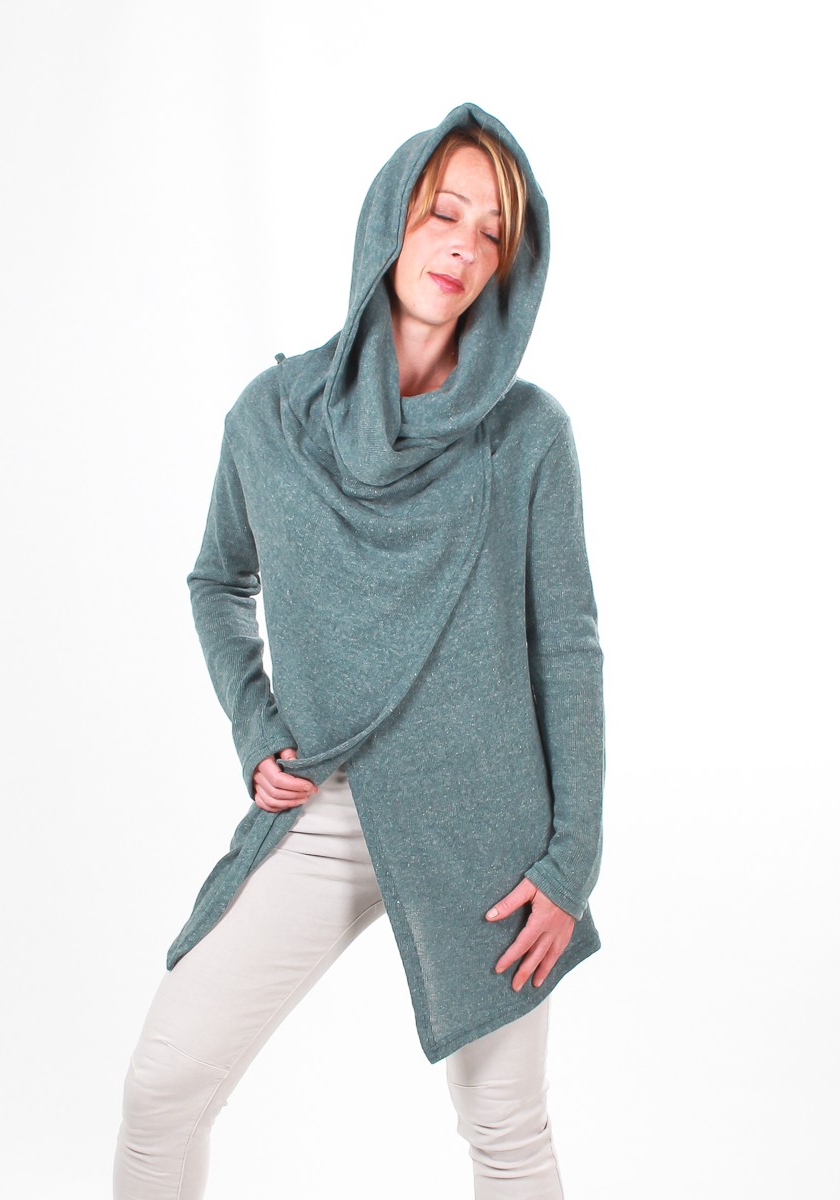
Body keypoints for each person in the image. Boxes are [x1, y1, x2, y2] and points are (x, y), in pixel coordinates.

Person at [113, 101, 605, 1200]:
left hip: (487, 829)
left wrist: (571, 860)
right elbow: (217, 580)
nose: (463, 247)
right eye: (444, 213)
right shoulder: (271, 417)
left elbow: (567, 651)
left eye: (492, 233)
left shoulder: (530, 437)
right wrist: (257, 727)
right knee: (163, 1089)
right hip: (325, 809)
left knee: (506, 1127)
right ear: (393, 219)